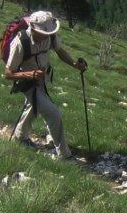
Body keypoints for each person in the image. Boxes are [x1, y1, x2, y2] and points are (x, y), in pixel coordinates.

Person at [5, 11, 85, 159]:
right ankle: (64, 154)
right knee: (54, 114)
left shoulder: (50, 36)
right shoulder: (20, 42)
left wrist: (75, 64)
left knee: (33, 106)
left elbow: (60, 51)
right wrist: (30, 75)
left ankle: (20, 137)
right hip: (27, 83)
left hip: (42, 79)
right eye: (43, 33)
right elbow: (8, 73)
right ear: (33, 29)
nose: (46, 36)